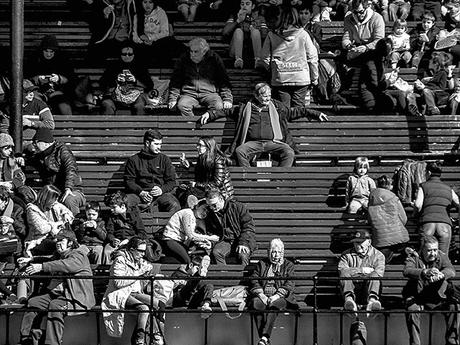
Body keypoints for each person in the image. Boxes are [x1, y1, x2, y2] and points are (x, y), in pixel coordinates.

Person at [200, 83, 328, 168]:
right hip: (253, 143)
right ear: (256, 95)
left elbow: (296, 111)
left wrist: (315, 113)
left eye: (269, 96)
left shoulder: (277, 106)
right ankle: (248, 178)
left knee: (289, 152)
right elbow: (226, 111)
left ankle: (281, 180)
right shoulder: (244, 108)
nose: (268, 99)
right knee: (240, 151)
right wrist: (210, 114)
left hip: (274, 142)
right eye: (265, 96)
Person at [18, 229, 96, 345]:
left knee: (55, 306)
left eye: (61, 240)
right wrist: (31, 260)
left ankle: (52, 343)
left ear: (70, 242)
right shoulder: (59, 255)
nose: (58, 243)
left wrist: (42, 267)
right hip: (56, 295)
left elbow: (67, 266)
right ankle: (27, 339)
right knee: (34, 302)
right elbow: (50, 260)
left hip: (75, 297)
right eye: (57, 240)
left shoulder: (78, 254)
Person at [101, 236, 164, 345]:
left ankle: (157, 335)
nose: (143, 254)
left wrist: (148, 271)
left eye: (144, 251)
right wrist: (139, 273)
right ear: (131, 250)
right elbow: (118, 283)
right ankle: (140, 339)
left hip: (136, 293)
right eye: (140, 251)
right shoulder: (120, 260)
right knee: (144, 309)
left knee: (160, 305)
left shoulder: (138, 260)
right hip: (121, 294)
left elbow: (146, 269)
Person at [403, 236, 459, 345]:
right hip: (419, 297)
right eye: (429, 250)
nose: (433, 253)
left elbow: (451, 270)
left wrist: (442, 274)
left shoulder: (441, 256)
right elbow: (407, 270)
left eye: (435, 250)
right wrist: (425, 272)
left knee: (455, 306)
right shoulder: (414, 257)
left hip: (439, 297)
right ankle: (415, 343)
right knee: (412, 309)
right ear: (422, 249)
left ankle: (452, 342)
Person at [261, 5, 319, 108]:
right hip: (301, 78)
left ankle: (284, 124)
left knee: (283, 110)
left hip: (280, 78)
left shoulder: (272, 35)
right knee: (298, 109)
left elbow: (264, 58)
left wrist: (272, 69)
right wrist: (314, 78)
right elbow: (312, 58)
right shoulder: (303, 34)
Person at [25, 127, 86, 215]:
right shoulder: (41, 154)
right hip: (54, 191)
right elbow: (28, 154)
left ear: (45, 142)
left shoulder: (62, 151)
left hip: (74, 189)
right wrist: (20, 157)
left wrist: (68, 188)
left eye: (36, 143)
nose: (34, 146)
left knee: (69, 200)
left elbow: (71, 169)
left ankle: (74, 226)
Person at [168, 38, 233, 117]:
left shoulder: (214, 58)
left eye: (196, 52)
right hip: (189, 94)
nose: (192, 54)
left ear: (204, 52)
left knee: (218, 106)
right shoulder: (184, 59)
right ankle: (191, 127)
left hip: (210, 93)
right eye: (191, 51)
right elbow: (175, 80)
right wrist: (173, 99)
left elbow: (223, 80)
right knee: (182, 105)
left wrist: (227, 99)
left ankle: (208, 128)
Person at [249, 238, 297, 345]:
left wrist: (276, 296)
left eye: (279, 252)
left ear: (282, 253)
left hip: (281, 298)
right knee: (256, 304)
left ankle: (264, 337)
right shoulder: (261, 264)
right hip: (263, 296)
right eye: (273, 252)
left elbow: (289, 284)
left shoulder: (288, 265)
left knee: (273, 306)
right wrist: (261, 295)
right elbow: (254, 279)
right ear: (268, 252)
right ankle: (265, 340)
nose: (276, 255)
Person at [341, 0, 385, 111]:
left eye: (360, 12)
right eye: (355, 12)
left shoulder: (377, 18)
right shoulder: (349, 18)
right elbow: (346, 36)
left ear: (368, 7)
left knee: (369, 63)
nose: (358, 15)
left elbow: (379, 40)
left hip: (373, 52)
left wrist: (366, 47)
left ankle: (370, 95)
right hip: (357, 51)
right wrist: (348, 45)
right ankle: (369, 97)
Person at [124, 129, 180, 212]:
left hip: (161, 195)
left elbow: (171, 181)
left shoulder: (165, 159)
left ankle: (169, 225)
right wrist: (141, 192)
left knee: (173, 204)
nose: (159, 147)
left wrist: (162, 190)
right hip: (138, 195)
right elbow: (128, 181)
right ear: (147, 143)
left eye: (160, 144)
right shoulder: (133, 160)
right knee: (125, 203)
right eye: (156, 144)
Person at [414, 162, 460, 255]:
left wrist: (415, 214)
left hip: (427, 223)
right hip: (444, 225)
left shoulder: (423, 186)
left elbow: (418, 205)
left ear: (429, 173)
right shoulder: (448, 189)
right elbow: (458, 203)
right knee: (443, 258)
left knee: (425, 256)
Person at [338, 229, 385, 316]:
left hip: (368, 289)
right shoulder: (346, 255)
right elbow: (342, 271)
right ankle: (349, 302)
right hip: (353, 288)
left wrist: (353, 271)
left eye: (361, 242)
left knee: (375, 275)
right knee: (344, 274)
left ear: (369, 242)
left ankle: (372, 302)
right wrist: (363, 270)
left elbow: (379, 273)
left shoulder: (378, 255)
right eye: (356, 242)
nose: (358, 245)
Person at [99, 42, 154, 115]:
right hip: (115, 96)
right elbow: (102, 84)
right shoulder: (113, 66)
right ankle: (108, 126)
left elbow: (150, 85)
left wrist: (135, 81)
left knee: (139, 105)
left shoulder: (140, 67)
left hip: (136, 96)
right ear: (120, 55)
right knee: (107, 104)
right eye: (124, 54)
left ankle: (140, 126)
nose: (127, 56)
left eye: (130, 54)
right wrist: (115, 80)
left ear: (134, 55)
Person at [204, 188, 256, 265]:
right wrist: (211, 242)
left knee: (243, 255)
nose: (212, 208)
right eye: (209, 206)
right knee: (216, 252)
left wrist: (243, 242)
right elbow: (210, 231)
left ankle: (244, 277)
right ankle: (224, 275)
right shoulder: (211, 213)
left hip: (241, 239)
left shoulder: (237, 207)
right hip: (225, 241)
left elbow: (248, 227)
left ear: (221, 199)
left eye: (214, 205)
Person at [27, 35, 74, 115]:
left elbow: (71, 78)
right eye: (46, 51)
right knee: (34, 101)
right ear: (42, 51)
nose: (48, 54)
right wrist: (38, 79)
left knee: (64, 105)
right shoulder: (34, 60)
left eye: (51, 51)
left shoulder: (63, 60)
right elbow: (27, 78)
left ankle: (69, 126)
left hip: (57, 92)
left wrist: (59, 78)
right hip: (38, 92)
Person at [368, 175, 409, 263]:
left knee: (382, 259)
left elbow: (370, 220)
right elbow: (404, 218)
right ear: (389, 185)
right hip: (399, 237)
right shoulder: (393, 198)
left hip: (380, 240)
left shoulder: (371, 200)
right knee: (405, 252)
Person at [162, 199, 219, 263]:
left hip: (179, 242)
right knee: (188, 261)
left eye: (207, 212)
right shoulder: (188, 213)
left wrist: (203, 243)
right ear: (197, 206)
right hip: (171, 240)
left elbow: (192, 237)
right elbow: (191, 235)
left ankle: (165, 261)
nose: (204, 213)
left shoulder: (194, 218)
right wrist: (210, 238)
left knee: (193, 258)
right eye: (203, 209)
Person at [180, 136, 234, 202]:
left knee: (189, 192)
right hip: (207, 190)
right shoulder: (202, 159)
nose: (197, 147)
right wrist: (188, 166)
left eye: (200, 145)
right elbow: (200, 175)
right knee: (181, 190)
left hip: (221, 194)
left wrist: (196, 185)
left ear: (208, 147)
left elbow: (217, 183)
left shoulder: (218, 160)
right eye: (197, 145)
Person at [132, 0, 186, 67]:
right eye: (145, 2)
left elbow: (165, 32)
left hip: (157, 42)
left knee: (170, 40)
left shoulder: (160, 12)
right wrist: (144, 41)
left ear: (154, 3)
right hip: (143, 45)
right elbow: (135, 36)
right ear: (141, 3)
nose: (148, 5)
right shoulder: (137, 15)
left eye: (150, 2)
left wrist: (150, 38)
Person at [25, 185, 74, 257]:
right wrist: (56, 224)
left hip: (56, 238)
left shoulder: (55, 205)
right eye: (54, 199)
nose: (56, 201)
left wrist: (66, 214)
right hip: (39, 241)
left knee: (70, 243)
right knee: (61, 246)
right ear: (47, 198)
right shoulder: (32, 209)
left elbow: (69, 215)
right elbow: (42, 229)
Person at [103, 191, 147, 264]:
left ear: (123, 206)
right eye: (110, 207)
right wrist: (113, 239)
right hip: (117, 242)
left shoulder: (134, 215)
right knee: (108, 250)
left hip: (131, 242)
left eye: (114, 207)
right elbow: (110, 232)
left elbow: (142, 233)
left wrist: (129, 240)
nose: (111, 210)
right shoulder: (112, 217)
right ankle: (109, 272)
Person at [222, 0, 267, 69]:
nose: (244, 6)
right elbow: (225, 32)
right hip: (235, 51)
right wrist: (238, 21)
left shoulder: (259, 17)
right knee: (238, 31)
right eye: (242, 4)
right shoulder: (234, 16)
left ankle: (258, 60)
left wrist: (257, 27)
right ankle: (238, 60)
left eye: (247, 4)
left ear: (253, 6)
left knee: (255, 31)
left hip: (252, 51)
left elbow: (265, 35)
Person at [406, 51, 452, 116]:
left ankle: (433, 108)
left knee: (426, 91)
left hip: (435, 96)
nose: (429, 61)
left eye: (431, 61)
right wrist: (418, 86)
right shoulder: (428, 72)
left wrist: (424, 87)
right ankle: (415, 111)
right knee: (410, 95)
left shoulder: (442, 73)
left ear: (436, 64)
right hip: (423, 94)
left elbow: (442, 88)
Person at [0, 185, 26, 256]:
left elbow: (24, 231)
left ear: (5, 201)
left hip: (12, 246)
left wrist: (12, 221)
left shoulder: (17, 209)